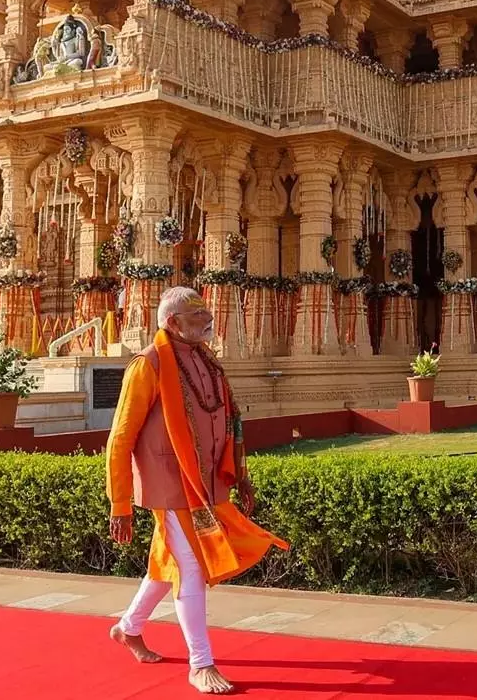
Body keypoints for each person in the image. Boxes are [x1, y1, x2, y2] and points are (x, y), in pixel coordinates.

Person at [106, 286, 287, 695]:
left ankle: (128, 627)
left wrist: (240, 476)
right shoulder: (148, 365)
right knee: (191, 568)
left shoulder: (206, 361)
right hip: (171, 485)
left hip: (207, 485)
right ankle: (200, 662)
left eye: (206, 312)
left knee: (167, 564)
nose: (207, 320)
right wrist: (120, 503)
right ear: (172, 323)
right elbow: (120, 437)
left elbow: (228, 423)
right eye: (196, 316)